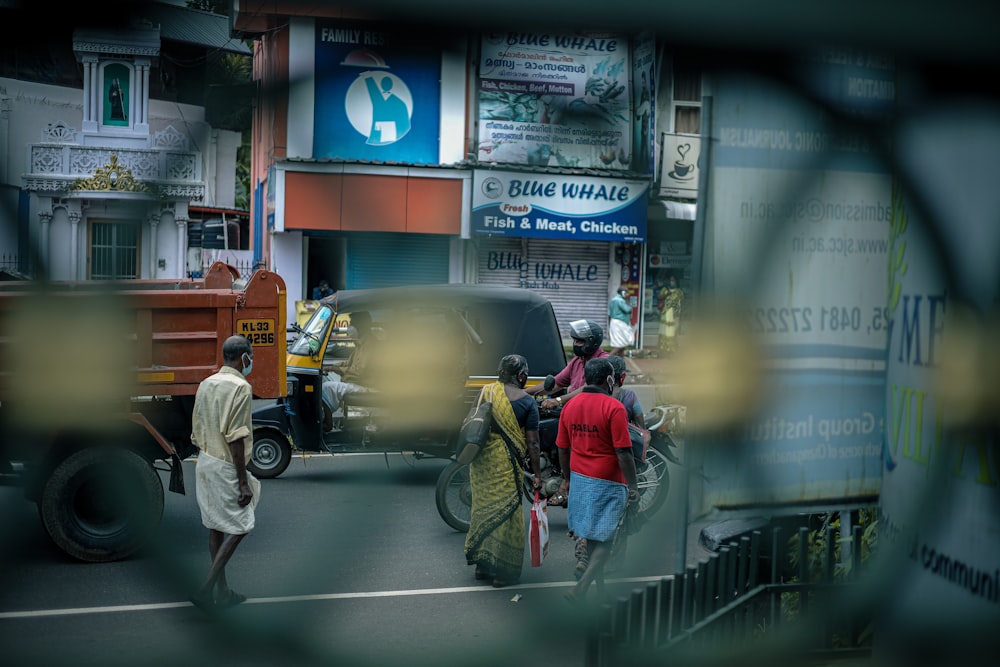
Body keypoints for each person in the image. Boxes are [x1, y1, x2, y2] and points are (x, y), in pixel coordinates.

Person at [555, 357, 640, 605]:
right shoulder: (614, 408)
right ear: (609, 379)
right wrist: (633, 486)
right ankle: (580, 588)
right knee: (605, 539)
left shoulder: (570, 406)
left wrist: (566, 480)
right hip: (608, 481)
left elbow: (562, 447)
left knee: (593, 539)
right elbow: (624, 452)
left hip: (581, 479)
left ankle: (600, 590)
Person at [189, 335, 261, 611]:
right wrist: (243, 483)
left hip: (204, 461)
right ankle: (207, 590)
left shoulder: (206, 384)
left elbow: (197, 428)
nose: (251, 362)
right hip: (225, 465)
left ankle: (224, 592)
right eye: (250, 357)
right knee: (242, 524)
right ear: (244, 358)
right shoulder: (240, 387)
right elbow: (236, 438)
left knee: (216, 526)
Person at [464, 354, 543, 588]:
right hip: (507, 466)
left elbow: (472, 421)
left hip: (482, 464)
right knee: (507, 517)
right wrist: (537, 475)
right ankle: (503, 572)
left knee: (483, 511)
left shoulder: (486, 391)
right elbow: (534, 444)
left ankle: (482, 566)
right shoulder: (527, 403)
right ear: (521, 376)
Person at [527, 319, 609, 410]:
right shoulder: (577, 361)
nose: (575, 345)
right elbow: (556, 383)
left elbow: (588, 388)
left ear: (592, 342)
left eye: (579, 342)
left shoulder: (602, 361)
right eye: (574, 341)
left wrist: (558, 400)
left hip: (592, 411)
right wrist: (523, 393)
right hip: (574, 409)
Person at [321, 311, 377, 422]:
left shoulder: (370, 345)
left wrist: (334, 368)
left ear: (361, 326)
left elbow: (358, 371)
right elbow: (348, 363)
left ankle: (327, 422)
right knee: (327, 382)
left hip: (367, 386)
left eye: (353, 324)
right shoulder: (361, 343)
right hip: (359, 383)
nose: (349, 327)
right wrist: (329, 366)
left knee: (326, 387)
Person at [658, 274, 684, 356]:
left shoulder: (679, 292)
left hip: (674, 315)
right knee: (664, 332)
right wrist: (666, 294)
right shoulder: (665, 289)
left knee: (673, 332)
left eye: (673, 280)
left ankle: (672, 350)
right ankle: (664, 350)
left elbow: (681, 303)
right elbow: (659, 297)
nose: (671, 282)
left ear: (676, 282)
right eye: (670, 280)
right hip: (665, 315)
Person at [607, 287, 634, 357]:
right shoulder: (620, 301)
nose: (628, 294)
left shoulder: (613, 300)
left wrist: (609, 326)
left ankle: (621, 363)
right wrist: (628, 300)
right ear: (623, 293)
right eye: (627, 292)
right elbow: (628, 310)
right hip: (620, 324)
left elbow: (609, 314)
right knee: (620, 345)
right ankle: (606, 359)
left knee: (621, 344)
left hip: (614, 323)